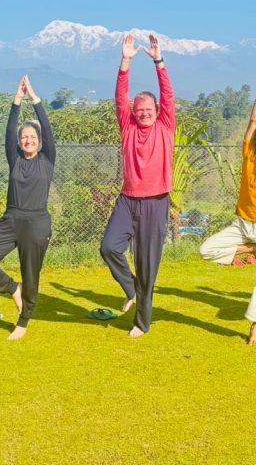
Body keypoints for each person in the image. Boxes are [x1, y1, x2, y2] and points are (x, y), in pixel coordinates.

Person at [199, 67, 256, 346]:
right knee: (206, 250)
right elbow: (253, 119)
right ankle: (251, 249)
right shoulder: (249, 153)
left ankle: (255, 328)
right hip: (244, 224)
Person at [0, 76, 55, 341]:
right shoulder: (15, 160)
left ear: (39, 141)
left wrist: (35, 99)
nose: (28, 140)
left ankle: (23, 321)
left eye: (32, 137)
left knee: (31, 275)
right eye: (24, 137)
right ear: (18, 143)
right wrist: (16, 101)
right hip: (10, 221)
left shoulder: (47, 159)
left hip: (37, 224)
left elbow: (47, 128)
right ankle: (13, 289)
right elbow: (9, 130)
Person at [100, 33, 176, 337]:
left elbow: (168, 95)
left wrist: (159, 61)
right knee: (109, 247)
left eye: (149, 109)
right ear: (133, 111)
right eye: (139, 109)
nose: (144, 113)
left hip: (156, 203)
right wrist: (126, 61)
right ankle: (131, 289)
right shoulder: (128, 126)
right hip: (128, 200)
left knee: (147, 266)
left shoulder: (166, 125)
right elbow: (120, 98)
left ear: (157, 111)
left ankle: (142, 323)